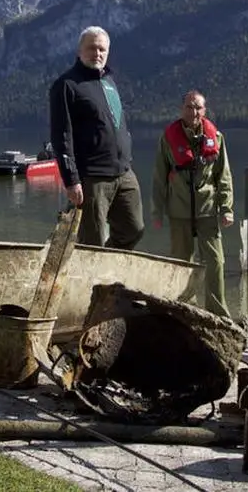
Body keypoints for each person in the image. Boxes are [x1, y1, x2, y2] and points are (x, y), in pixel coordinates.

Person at [48, 26, 144, 249]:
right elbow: (61, 136)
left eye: (102, 49)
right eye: (91, 48)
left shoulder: (109, 82)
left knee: (134, 228)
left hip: (124, 172)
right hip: (92, 177)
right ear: (79, 50)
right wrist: (71, 180)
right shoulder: (66, 85)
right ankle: (93, 281)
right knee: (93, 242)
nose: (97, 53)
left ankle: (106, 273)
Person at [151, 90, 234, 317]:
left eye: (198, 107)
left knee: (215, 261)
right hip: (179, 210)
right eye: (189, 107)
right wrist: (157, 211)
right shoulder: (168, 138)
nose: (193, 112)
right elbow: (159, 177)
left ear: (204, 111)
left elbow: (223, 176)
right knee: (180, 262)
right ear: (182, 109)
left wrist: (227, 208)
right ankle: (185, 309)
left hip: (207, 209)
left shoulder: (216, 137)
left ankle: (218, 312)